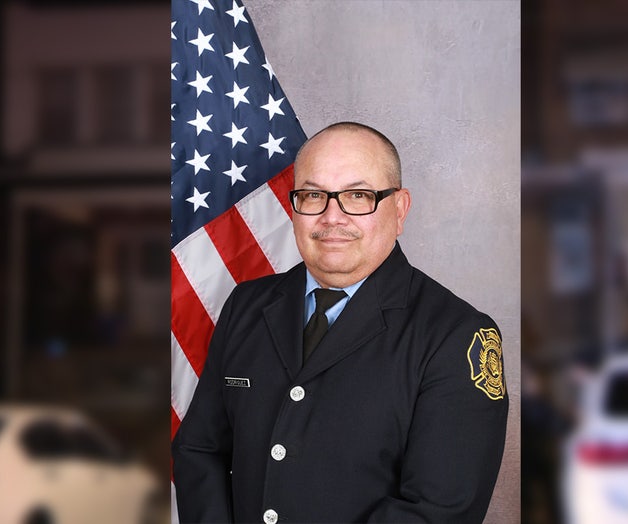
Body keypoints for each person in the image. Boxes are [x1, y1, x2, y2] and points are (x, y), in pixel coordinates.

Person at [172, 122, 508, 523]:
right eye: (313, 195)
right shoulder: (247, 305)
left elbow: (435, 511)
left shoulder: (456, 335)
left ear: (399, 209)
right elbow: (200, 450)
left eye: (358, 195)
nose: (332, 217)